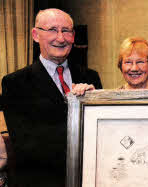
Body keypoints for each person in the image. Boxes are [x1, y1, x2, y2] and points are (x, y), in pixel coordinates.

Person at [1, 8, 102, 187]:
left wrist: (93, 102)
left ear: (73, 36)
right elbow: (27, 144)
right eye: (52, 30)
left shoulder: (91, 78)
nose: (61, 38)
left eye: (66, 31)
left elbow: (101, 133)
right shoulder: (15, 83)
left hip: (88, 178)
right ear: (35, 35)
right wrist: (75, 107)